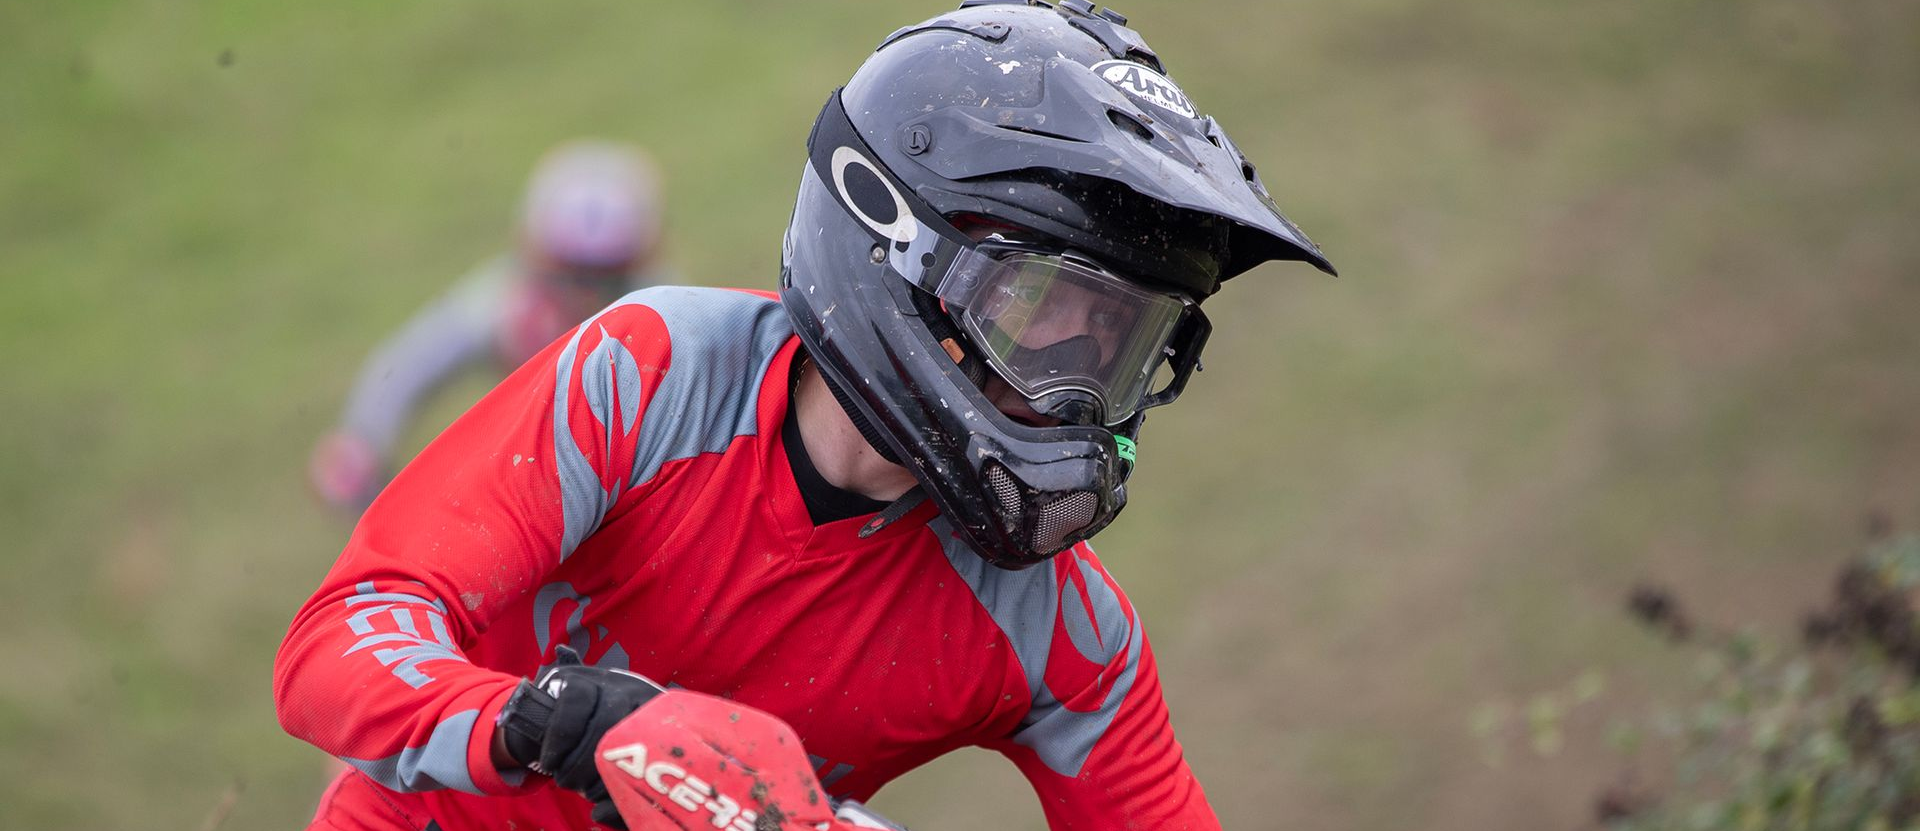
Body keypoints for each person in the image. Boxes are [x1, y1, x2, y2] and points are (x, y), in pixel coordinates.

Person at [275, 2, 1336, 829]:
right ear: (905, 248)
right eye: (1048, 310)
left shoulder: (1065, 632)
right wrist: (541, 718)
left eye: (1123, 343)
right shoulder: (646, 377)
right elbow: (336, 642)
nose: (1078, 389)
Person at [308, 140, 669, 513]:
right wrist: (363, 438)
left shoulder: (660, 309)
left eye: (609, 278)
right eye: (568, 274)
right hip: (534, 484)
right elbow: (412, 363)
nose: (586, 294)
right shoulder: (507, 303)